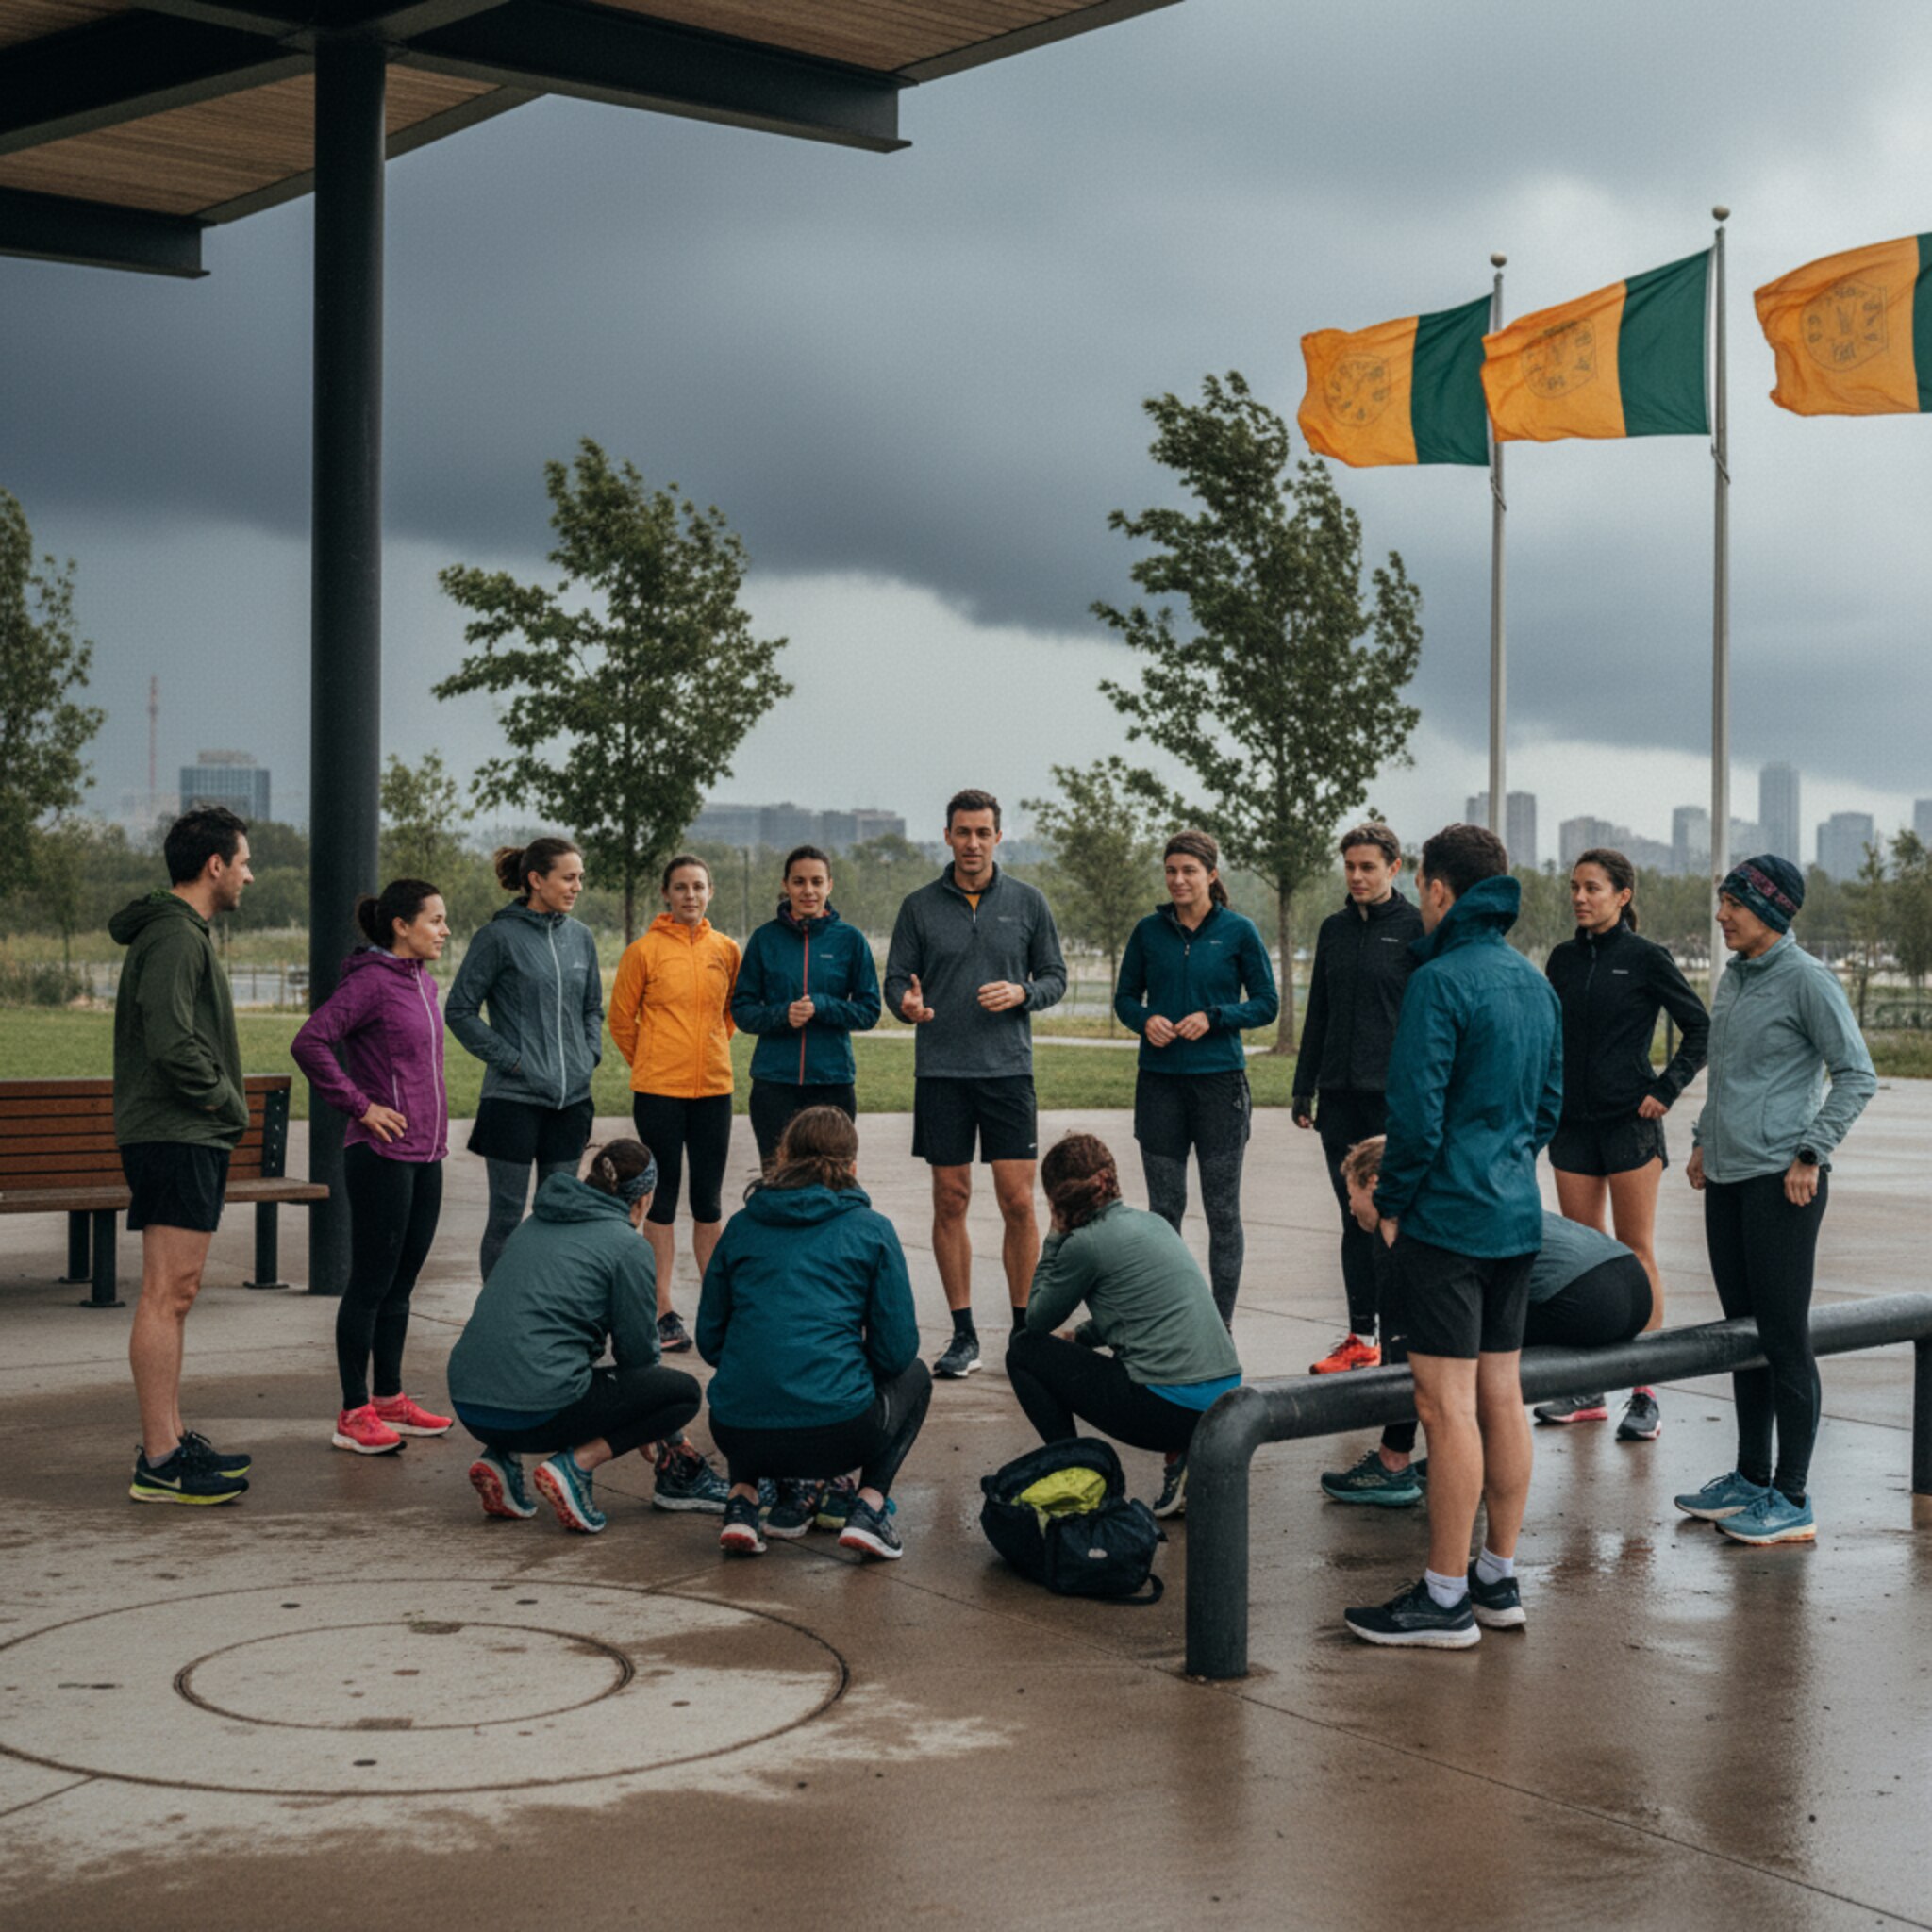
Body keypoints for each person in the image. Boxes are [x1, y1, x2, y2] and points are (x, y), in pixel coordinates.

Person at [1342, 824, 1560, 1649]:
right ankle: (1496, 1581)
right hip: (1513, 1217)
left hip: (1445, 1225)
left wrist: (1393, 1204)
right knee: (1501, 1397)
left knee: (1444, 1409)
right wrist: (1503, 1168)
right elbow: (1546, 1108)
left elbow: (1416, 1113)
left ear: (1436, 889)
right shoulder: (1533, 983)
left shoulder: (1439, 981)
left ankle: (1442, 1599)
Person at [1674, 855, 1875, 1547]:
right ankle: (1750, 1479)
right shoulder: (1734, 977)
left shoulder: (1807, 980)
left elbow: (1856, 1074)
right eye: (1722, 901)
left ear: (1771, 909)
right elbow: (1728, 1075)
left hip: (1782, 1181)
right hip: (1728, 1180)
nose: (1722, 915)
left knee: (1785, 1339)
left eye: (1733, 903)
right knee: (1744, 1336)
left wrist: (1812, 1153)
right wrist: (1703, 1138)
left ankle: (1792, 1497)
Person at [1321, 1135, 1656, 1507]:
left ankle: (1391, 1465)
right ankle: (1463, 1451)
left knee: (1439, 1340)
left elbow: (1405, 1346)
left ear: (1373, 1183)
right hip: (1633, 1286)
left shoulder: (1421, 1225)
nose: (1349, 1207)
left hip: (1590, 1300)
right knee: (1467, 1332)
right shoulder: (1468, 1195)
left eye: (1350, 1193)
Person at [447, 1140, 724, 1529]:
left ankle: (500, 1459)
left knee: (538, 1361)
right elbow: (639, 1358)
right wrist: (656, 1423)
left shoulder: (536, 1221)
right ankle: (575, 1467)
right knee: (680, 1394)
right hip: (537, 1410)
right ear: (643, 1200)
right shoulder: (627, 1245)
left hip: (469, 1403)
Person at [884, 789, 1066, 1379]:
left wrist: (1024, 993)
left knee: (1018, 1201)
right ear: (947, 837)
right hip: (941, 1073)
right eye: (962, 832)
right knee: (951, 1200)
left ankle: (1022, 1333)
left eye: (983, 832)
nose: (972, 843)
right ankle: (963, 1335)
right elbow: (894, 983)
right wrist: (906, 1004)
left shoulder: (1028, 902)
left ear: (997, 837)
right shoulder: (918, 907)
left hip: (1009, 1071)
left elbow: (1055, 977)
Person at [697, 1107, 931, 1560]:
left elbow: (711, 1343)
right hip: (839, 1433)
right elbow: (897, 1350)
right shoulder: (872, 1230)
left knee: (752, 1373)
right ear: (853, 1167)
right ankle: (869, 1508)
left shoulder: (741, 1227)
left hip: (737, 1432)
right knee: (917, 1375)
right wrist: (843, 1369)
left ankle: (742, 1501)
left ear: (782, 1156)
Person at [1537, 847, 1708, 1440]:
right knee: (1586, 1260)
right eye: (1574, 888)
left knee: (1636, 1251)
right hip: (1572, 1126)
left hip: (1629, 1122)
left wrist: (1668, 1087)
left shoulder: (1644, 958)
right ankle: (1588, 1390)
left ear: (1622, 895)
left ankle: (1643, 1390)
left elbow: (1699, 1026)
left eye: (1593, 888)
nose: (1580, 898)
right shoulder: (1560, 960)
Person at [111, 807, 258, 1506]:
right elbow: (172, 1040)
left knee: (178, 1293)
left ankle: (167, 1438)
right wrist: (227, 1101)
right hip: (176, 1131)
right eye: (245, 861)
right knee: (167, 1293)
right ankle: (159, 1459)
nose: (250, 875)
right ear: (215, 866)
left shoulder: (180, 931)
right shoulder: (175, 936)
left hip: (181, 1132)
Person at [291, 878, 456, 1456]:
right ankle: (353, 1411)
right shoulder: (370, 984)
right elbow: (310, 1041)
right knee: (370, 1283)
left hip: (426, 1155)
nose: (444, 929)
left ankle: (389, 1399)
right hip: (380, 1155)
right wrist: (361, 1106)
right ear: (401, 926)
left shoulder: (424, 983)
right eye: (435, 920)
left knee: (402, 1286)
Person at [1008, 1132, 1243, 1520]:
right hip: (1222, 1403)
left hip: (1167, 1409)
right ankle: (1186, 1454)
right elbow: (1146, 1309)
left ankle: (1075, 1467)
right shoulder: (1154, 1224)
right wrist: (1082, 1336)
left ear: (1057, 1200)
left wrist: (1053, 1237)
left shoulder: (1085, 1244)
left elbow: (1036, 1319)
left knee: (1023, 1350)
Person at [1113, 829, 1278, 1325]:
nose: (1178, 879)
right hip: (1159, 1084)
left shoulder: (1239, 931)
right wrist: (1145, 1020)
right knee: (1164, 1212)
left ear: (1211, 874)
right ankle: (1175, 1320)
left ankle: (1221, 1325)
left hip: (1219, 1086)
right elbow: (1124, 999)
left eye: (1189, 870)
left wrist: (1216, 1016)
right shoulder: (1148, 932)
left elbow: (1266, 1003)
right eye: (1171, 871)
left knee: (1222, 1213)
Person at [1291, 824, 1425, 1374]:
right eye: (1350, 867)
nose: (1357, 877)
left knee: (1394, 1219)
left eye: (1368, 867)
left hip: (1392, 1100)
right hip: (1339, 1097)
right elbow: (1318, 1010)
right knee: (1354, 1220)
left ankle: (1402, 1339)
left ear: (1394, 868)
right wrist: (1305, 1086)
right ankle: (1360, 1337)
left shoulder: (1417, 928)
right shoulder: (1333, 928)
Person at [445, 837, 603, 1281]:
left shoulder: (581, 938)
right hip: (513, 1100)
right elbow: (459, 1010)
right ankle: (497, 1320)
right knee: (506, 1218)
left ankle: (548, 1316)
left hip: (571, 1100)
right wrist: (512, 1060)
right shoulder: (497, 938)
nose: (577, 887)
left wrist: (588, 1054)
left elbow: (592, 1007)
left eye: (580, 879)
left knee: (558, 1216)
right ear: (536, 880)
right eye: (568, 877)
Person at [609, 854, 741, 1354]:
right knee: (659, 1203)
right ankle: (662, 1309)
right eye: (681, 887)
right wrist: (655, 1059)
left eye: (699, 887)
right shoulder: (643, 951)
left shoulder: (726, 950)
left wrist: (706, 1047)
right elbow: (622, 1021)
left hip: (714, 1090)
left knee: (708, 1203)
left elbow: (732, 1014)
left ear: (711, 892)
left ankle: (717, 1310)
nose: (690, 895)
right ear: (665, 893)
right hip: (658, 1092)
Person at [732, 844, 882, 1166]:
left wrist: (825, 1006)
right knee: (777, 1179)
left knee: (833, 1179)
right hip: (774, 1084)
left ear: (830, 885)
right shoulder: (764, 939)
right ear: (785, 886)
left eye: (817, 881)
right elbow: (742, 1010)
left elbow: (870, 1010)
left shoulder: (851, 940)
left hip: (832, 1083)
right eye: (799, 882)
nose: (808, 890)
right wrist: (782, 1015)